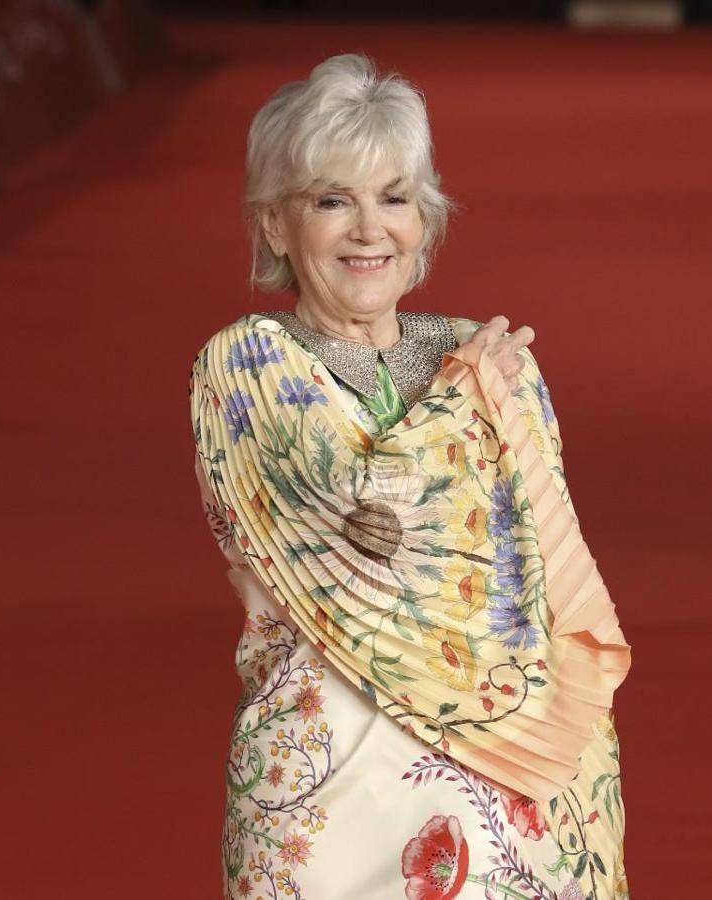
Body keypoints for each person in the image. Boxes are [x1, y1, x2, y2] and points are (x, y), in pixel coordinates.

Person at [190, 53, 631, 900]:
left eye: (394, 198)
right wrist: (468, 400)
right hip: (329, 792)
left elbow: (541, 574)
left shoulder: (482, 354)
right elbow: (375, 517)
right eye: (332, 201)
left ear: (424, 220)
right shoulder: (245, 365)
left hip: (516, 786)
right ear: (276, 225)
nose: (370, 230)